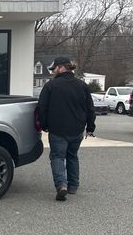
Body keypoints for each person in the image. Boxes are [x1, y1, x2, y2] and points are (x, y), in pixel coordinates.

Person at [38, 56, 96, 201]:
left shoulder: (51, 86)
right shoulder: (82, 86)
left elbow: (42, 108)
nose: (52, 72)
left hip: (58, 130)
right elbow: (90, 108)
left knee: (57, 156)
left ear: (61, 67)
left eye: (54, 69)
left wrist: (43, 125)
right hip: (77, 130)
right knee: (72, 156)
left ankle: (61, 185)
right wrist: (90, 127)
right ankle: (73, 186)